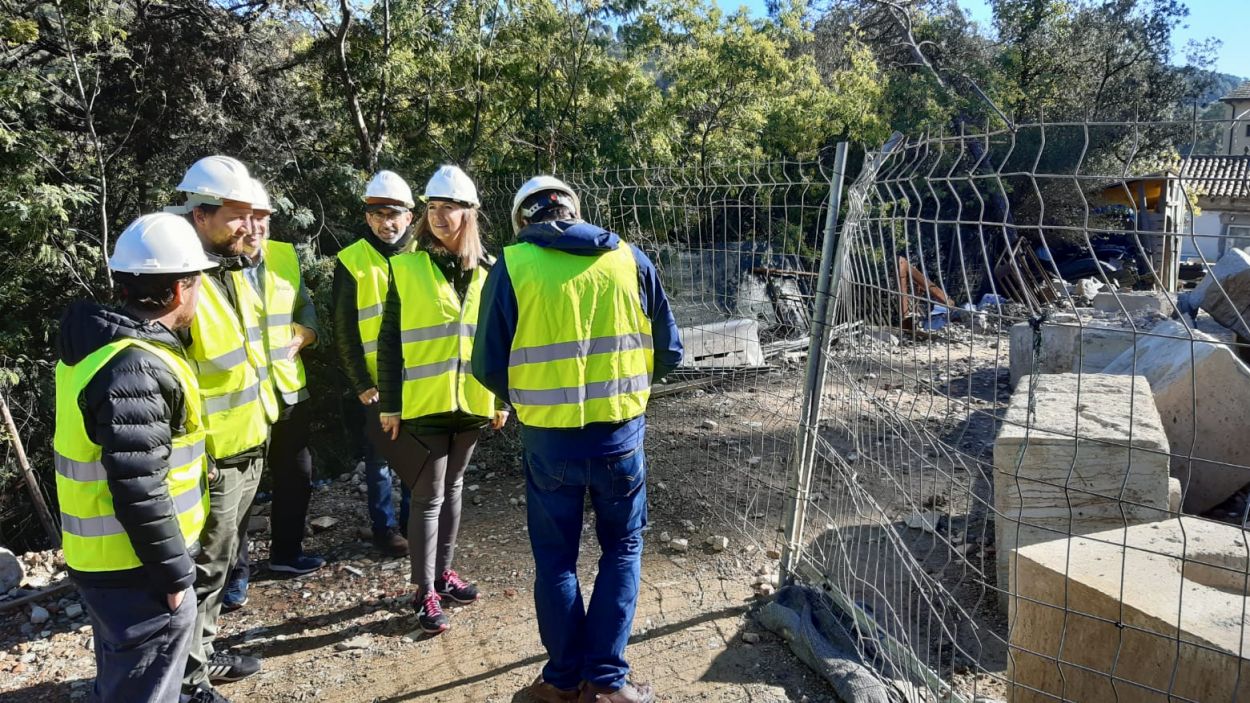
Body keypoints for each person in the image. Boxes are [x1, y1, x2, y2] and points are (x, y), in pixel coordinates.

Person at [473, 176, 683, 703]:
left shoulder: (511, 266)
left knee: (556, 559)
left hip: (550, 444)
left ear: (523, 221)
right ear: (574, 211)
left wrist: (532, 401)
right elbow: (670, 351)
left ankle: (563, 682)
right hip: (620, 439)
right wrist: (628, 392)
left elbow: (486, 364)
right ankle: (608, 684)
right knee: (623, 550)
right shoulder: (630, 259)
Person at [54, 213, 215, 703]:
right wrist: (173, 573)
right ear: (181, 288)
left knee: (125, 678)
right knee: (146, 685)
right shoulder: (136, 367)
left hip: (109, 561)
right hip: (136, 568)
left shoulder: (101, 348)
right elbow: (138, 484)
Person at [376, 165, 508, 634]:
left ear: (469, 213)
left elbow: (500, 340)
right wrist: (390, 404)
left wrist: (501, 400)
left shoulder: (491, 270)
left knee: (453, 489)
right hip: (424, 402)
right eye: (432, 207)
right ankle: (423, 591)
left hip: (472, 401)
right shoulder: (406, 267)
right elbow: (389, 341)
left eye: (448, 207)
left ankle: (443, 575)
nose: (437, 215)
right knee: (428, 496)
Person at [170, 156, 278, 698]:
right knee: (204, 568)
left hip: (248, 442)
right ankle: (188, 679)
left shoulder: (230, 269)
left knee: (223, 561)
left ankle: (203, 655)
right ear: (200, 215)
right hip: (211, 459)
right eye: (236, 216)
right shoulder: (179, 281)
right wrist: (201, 458)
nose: (247, 225)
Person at [222, 179, 324, 613]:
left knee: (296, 475)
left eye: (262, 217)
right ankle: (234, 574)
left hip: (287, 388)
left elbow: (303, 304)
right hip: (241, 397)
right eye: (247, 217)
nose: (256, 226)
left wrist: (306, 333)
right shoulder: (215, 265)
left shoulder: (283, 255)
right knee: (240, 490)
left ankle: (286, 553)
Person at [333, 170, 419, 557]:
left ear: (409, 217)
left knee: (417, 456)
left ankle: (414, 525)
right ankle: (385, 530)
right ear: (368, 218)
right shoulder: (352, 260)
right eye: (378, 215)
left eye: (394, 215)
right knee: (379, 458)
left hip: (420, 376)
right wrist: (360, 382)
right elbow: (344, 328)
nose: (387, 223)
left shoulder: (423, 254)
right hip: (376, 384)